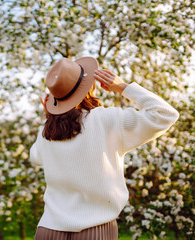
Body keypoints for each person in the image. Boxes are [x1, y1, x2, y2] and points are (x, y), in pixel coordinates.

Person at [29, 57, 179, 240]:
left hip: (48, 230)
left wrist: (49, 117)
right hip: (96, 230)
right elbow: (165, 114)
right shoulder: (108, 120)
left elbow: (35, 158)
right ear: (89, 86)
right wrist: (124, 87)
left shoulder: (47, 131)